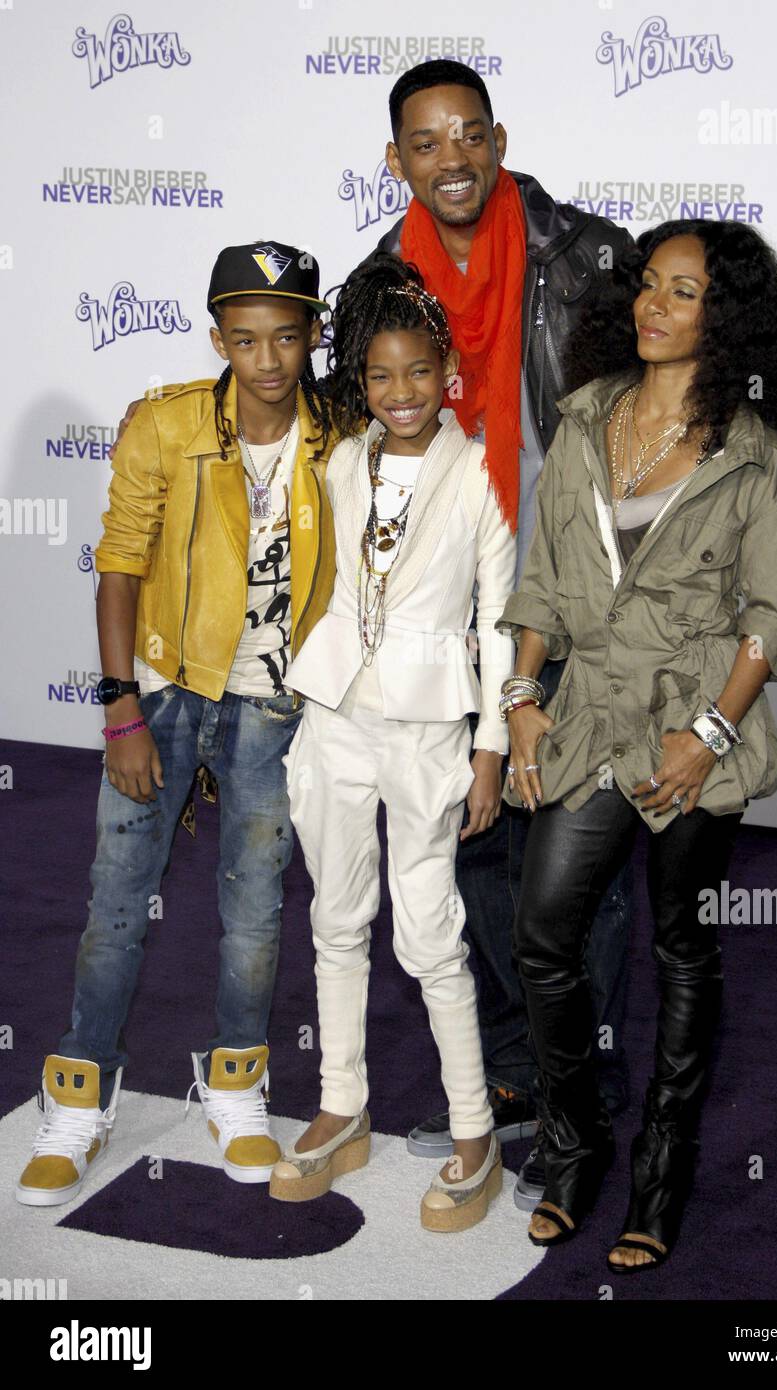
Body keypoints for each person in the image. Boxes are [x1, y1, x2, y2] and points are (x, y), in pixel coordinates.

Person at [496, 220, 777, 1264]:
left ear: (722, 318)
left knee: (682, 946)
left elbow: (772, 613)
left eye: (684, 292)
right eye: (648, 285)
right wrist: (522, 695)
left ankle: (662, 1167)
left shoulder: (750, 454)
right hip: (586, 713)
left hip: (693, 731)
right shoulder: (584, 419)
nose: (654, 304)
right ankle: (575, 1137)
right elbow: (540, 579)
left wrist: (711, 733)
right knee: (542, 931)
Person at [15, 241, 336, 1206]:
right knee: (117, 901)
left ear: (314, 335)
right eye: (245, 338)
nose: (268, 359)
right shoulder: (165, 426)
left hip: (274, 702)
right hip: (163, 687)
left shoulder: (343, 433)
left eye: (287, 336)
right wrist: (122, 715)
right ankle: (78, 1098)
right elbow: (119, 565)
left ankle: (237, 1088)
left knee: (255, 909)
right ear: (216, 339)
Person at [372, 60, 635, 1198]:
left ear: (499, 137)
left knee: (574, 847)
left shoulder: (586, 257)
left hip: (573, 597)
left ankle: (588, 1065)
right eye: (425, 143)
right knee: (470, 839)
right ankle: (518, 1063)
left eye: (468, 135)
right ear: (397, 161)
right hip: (446, 608)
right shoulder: (380, 281)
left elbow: (655, 418)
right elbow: (353, 436)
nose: (452, 159)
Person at [270, 254, 515, 1232]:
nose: (400, 392)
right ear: (358, 379)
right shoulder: (336, 461)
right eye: (379, 375)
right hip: (333, 714)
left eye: (418, 371)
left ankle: (473, 1129)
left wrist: (490, 748)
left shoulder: (480, 475)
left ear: (446, 369)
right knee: (335, 917)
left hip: (425, 731)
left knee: (426, 936)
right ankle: (342, 1103)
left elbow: (501, 622)